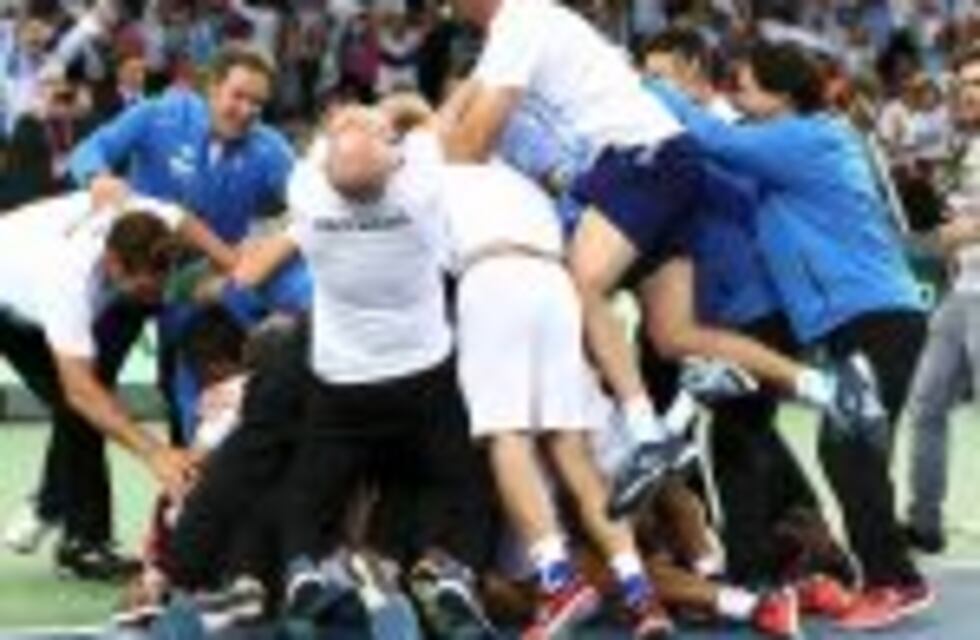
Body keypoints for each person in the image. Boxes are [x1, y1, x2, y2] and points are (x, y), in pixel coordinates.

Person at [655, 40, 933, 630]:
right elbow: (720, 162)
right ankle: (869, 571)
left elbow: (717, 141)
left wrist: (647, 89)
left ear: (781, 93)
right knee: (849, 444)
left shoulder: (807, 138)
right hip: (855, 319)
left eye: (747, 84)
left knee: (849, 445)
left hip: (876, 315)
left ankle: (896, 581)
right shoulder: (792, 147)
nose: (737, 93)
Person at [232, 106, 494, 631]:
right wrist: (385, 122)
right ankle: (454, 570)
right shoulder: (419, 187)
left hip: (344, 380)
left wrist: (352, 127)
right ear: (393, 161)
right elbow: (428, 122)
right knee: (459, 477)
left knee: (313, 482)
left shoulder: (307, 192)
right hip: (421, 372)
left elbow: (330, 141)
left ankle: (303, 567)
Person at [0, 190, 235, 566]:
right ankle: (81, 539)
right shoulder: (67, 283)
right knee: (81, 407)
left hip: (32, 243)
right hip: (9, 302)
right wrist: (156, 453)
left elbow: (181, 219)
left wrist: (233, 263)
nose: (156, 295)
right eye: (144, 287)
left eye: (160, 282)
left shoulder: (144, 219)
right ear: (112, 263)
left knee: (96, 403)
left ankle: (57, 503)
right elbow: (81, 391)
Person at [905, 44, 980, 554]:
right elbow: (950, 229)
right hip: (961, 294)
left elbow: (966, 227)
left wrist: (958, 233)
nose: (968, 93)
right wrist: (932, 237)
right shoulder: (961, 149)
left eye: (978, 84)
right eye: (963, 84)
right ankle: (924, 524)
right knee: (926, 405)